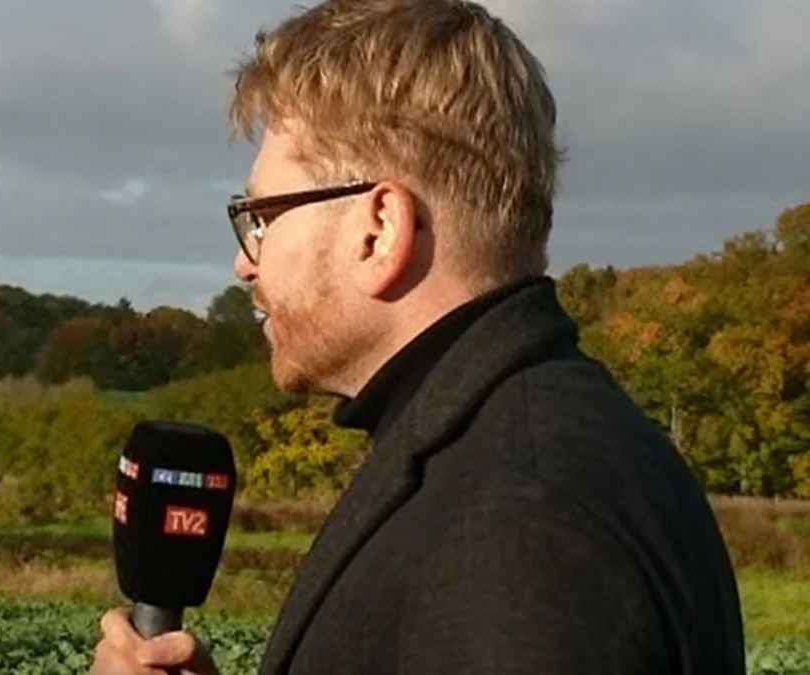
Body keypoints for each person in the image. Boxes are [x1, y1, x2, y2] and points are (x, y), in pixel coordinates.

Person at [90, 0, 746, 673]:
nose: (244, 261)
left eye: (261, 216)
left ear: (378, 229)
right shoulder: (512, 446)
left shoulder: (516, 520)